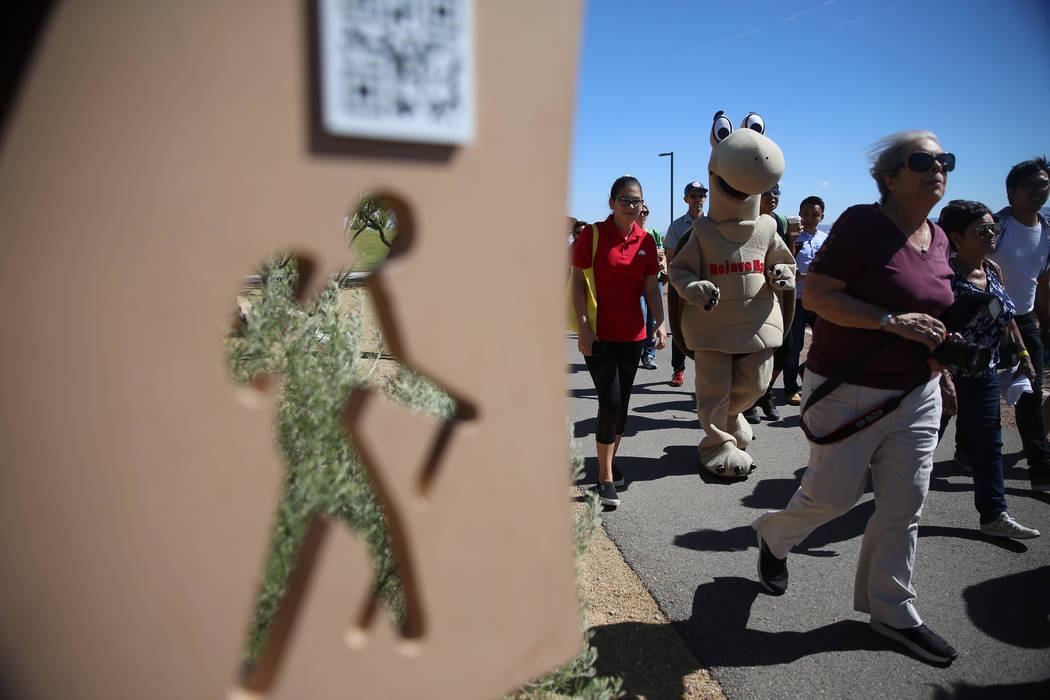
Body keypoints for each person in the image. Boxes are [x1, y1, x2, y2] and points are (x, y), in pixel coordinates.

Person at [752, 131, 959, 664]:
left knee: (904, 503)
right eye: (922, 160)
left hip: (919, 391)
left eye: (944, 161)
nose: (937, 168)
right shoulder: (864, 224)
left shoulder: (937, 238)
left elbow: (937, 312)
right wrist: (890, 322)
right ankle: (774, 538)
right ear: (890, 177)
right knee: (833, 499)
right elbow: (816, 294)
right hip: (850, 388)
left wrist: (944, 366)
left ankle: (892, 610)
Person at [937, 199, 1040, 538]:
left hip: (984, 376)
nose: (991, 234)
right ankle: (895, 499)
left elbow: (1005, 316)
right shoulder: (943, 280)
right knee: (920, 445)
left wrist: (1022, 353)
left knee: (989, 445)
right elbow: (935, 333)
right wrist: (942, 380)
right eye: (981, 230)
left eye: (993, 227)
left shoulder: (992, 271)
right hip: (945, 376)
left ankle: (994, 515)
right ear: (956, 237)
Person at [571, 176, 666, 507]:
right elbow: (577, 284)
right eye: (624, 200)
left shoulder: (647, 241)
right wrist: (583, 327)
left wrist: (661, 323)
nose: (631, 206)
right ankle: (605, 476)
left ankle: (609, 463)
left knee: (622, 403)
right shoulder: (592, 235)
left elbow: (652, 286)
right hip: (599, 336)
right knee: (609, 401)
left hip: (634, 337)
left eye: (636, 201)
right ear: (611, 203)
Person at [988, 157, 1050, 492]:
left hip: (1025, 321)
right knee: (975, 392)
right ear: (1012, 191)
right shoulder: (995, 227)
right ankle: (967, 449)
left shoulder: (1048, 231)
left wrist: (1046, 326)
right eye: (1032, 186)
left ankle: (1040, 467)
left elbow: (1041, 283)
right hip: (988, 319)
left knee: (1031, 393)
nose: (1040, 192)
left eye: (1044, 185)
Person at [743, 184, 800, 422]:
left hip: (778, 296)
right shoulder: (748, 220)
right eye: (767, 193)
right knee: (752, 351)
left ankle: (765, 391)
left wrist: (793, 241)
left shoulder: (782, 222)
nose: (772, 197)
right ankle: (748, 402)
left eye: (776, 193)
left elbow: (788, 258)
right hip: (752, 298)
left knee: (785, 348)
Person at [781, 196, 829, 406]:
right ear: (799, 214)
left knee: (827, 345)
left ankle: (808, 372)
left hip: (819, 301)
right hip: (796, 300)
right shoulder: (790, 238)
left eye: (814, 214)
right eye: (806, 214)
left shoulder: (827, 239)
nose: (809, 218)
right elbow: (782, 263)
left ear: (822, 216)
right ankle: (790, 388)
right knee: (794, 347)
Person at [663, 181, 707, 387]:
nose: (698, 199)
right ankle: (678, 370)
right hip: (683, 283)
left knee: (708, 328)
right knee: (680, 328)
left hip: (708, 283)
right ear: (686, 199)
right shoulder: (677, 226)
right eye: (694, 196)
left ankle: (707, 372)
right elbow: (671, 257)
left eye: (701, 195)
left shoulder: (713, 223)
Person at [638, 205, 666, 370]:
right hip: (639, 282)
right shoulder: (632, 233)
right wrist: (652, 253)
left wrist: (661, 261)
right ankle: (636, 350)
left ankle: (649, 354)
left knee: (653, 320)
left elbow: (662, 255)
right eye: (641, 212)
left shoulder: (654, 234)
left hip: (656, 281)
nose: (643, 215)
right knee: (640, 317)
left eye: (646, 212)